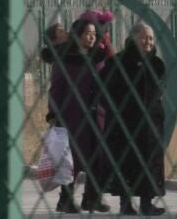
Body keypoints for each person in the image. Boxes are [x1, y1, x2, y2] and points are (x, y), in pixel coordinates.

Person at [101, 24, 168, 216]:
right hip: (124, 124)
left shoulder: (157, 64)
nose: (148, 42)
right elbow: (103, 90)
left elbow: (158, 91)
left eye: (151, 38)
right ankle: (125, 203)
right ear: (133, 39)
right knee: (126, 162)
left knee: (150, 162)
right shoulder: (117, 62)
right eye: (144, 37)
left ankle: (147, 203)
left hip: (150, 124)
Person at [50, 18, 111, 213]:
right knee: (72, 160)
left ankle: (92, 199)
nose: (92, 37)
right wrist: (53, 113)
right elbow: (56, 88)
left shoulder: (99, 57)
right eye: (87, 33)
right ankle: (65, 199)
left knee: (98, 158)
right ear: (77, 36)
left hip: (97, 115)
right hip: (73, 116)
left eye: (94, 34)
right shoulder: (65, 58)